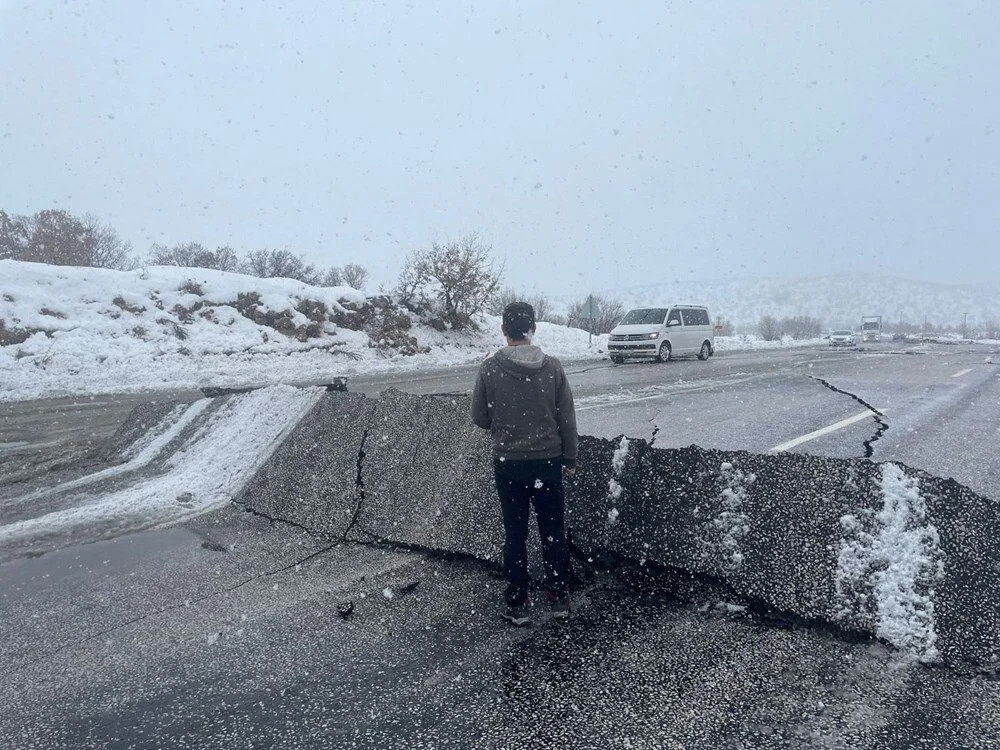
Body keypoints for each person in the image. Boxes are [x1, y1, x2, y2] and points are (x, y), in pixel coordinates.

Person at [472, 301, 578, 626]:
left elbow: (479, 416)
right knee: (553, 532)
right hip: (548, 463)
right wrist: (570, 458)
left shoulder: (489, 369)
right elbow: (567, 419)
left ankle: (517, 602)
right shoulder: (553, 368)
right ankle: (558, 597)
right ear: (533, 329)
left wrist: (506, 423)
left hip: (509, 464)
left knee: (515, 533)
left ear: (504, 330)